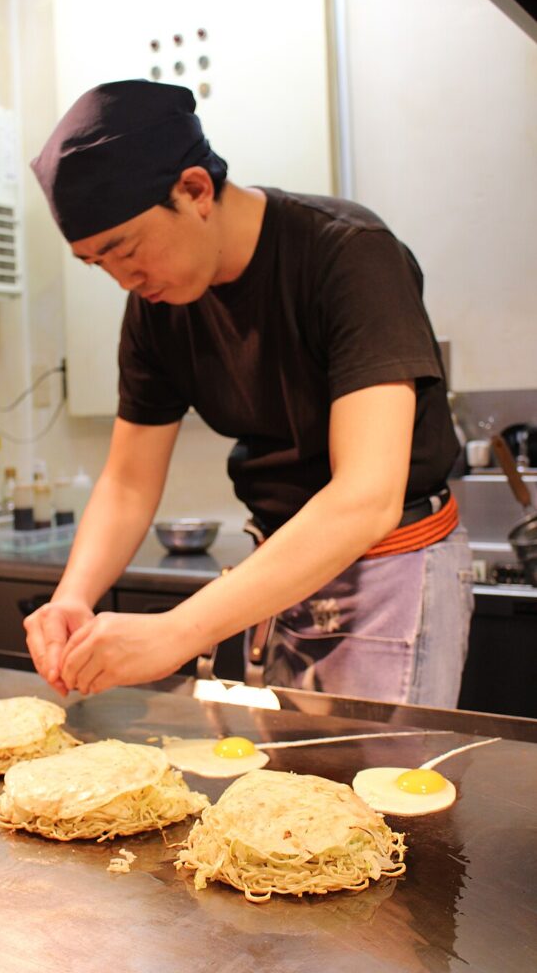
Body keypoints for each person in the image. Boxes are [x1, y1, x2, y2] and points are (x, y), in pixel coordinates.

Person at [24, 78, 473, 707]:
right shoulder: (156, 303)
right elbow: (127, 481)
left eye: (124, 249)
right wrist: (72, 595)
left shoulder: (347, 255)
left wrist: (179, 631)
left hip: (388, 567)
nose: (124, 279)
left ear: (195, 190)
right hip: (280, 570)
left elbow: (364, 498)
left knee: (377, 797)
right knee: (295, 798)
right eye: (98, 264)